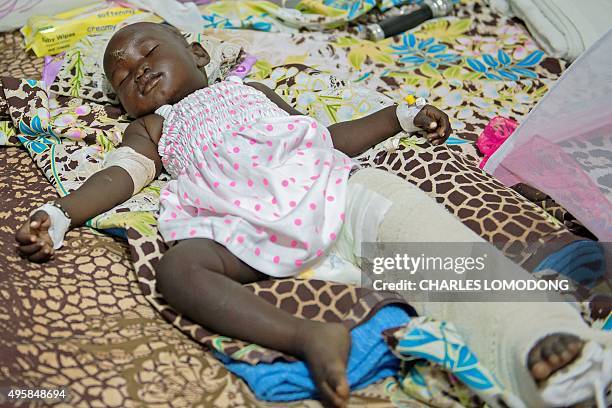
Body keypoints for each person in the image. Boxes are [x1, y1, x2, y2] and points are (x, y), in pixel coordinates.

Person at [15, 23, 610, 407]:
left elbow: (319, 136)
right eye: (120, 77)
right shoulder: (152, 127)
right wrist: (61, 213)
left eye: (147, 51)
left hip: (335, 194)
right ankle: (307, 335)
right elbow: (119, 177)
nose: (135, 68)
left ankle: (538, 339)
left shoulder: (249, 92)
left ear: (196, 53)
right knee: (179, 269)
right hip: (242, 231)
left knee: (446, 257)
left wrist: (395, 119)